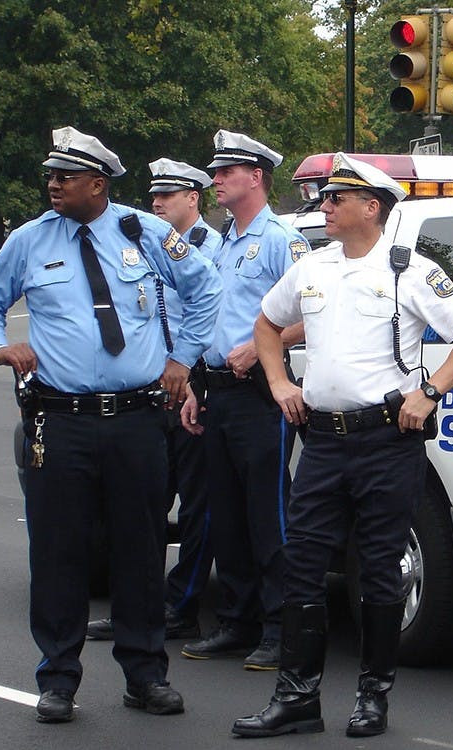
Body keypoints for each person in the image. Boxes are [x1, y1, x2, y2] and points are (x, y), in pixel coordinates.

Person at [0, 127, 222, 723]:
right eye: (51, 176)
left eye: (65, 177)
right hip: (61, 420)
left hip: (136, 420)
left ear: (98, 184)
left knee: (139, 549)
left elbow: (205, 287)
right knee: (58, 553)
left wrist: (182, 357)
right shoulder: (29, 240)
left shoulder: (146, 231)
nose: (53, 185)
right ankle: (57, 678)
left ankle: (145, 675)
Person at [234, 153, 453, 738]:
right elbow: (267, 326)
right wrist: (279, 383)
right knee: (301, 565)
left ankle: (372, 698)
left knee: (378, 571)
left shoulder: (409, 270)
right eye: (324, 198)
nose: (323, 207)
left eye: (335, 200)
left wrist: (430, 391)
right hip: (323, 440)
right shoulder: (313, 268)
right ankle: (297, 698)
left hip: (385, 441)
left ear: (371, 208)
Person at [179, 130, 311, 671]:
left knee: (268, 516)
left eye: (225, 172)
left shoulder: (281, 238)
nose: (215, 180)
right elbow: (206, 316)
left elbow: (316, 311)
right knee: (226, 514)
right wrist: (191, 381)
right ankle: (238, 620)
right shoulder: (221, 242)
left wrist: (265, 347)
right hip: (216, 390)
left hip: (260, 395)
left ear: (255, 177)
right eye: (215, 172)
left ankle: (282, 628)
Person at [86, 158, 222, 643]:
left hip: (193, 383)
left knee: (195, 505)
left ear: (194, 198)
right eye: (154, 196)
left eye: (169, 195)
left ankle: (182, 604)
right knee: (138, 508)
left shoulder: (214, 248)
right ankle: (134, 608)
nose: (157, 203)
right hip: (149, 391)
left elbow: (217, 314)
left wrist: (189, 372)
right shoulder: (141, 241)